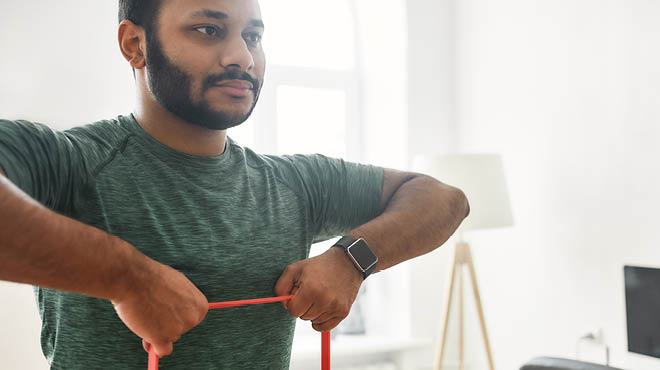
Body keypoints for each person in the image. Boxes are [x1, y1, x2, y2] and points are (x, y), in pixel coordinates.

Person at [0, 0, 469, 368]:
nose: (242, 56)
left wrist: (352, 258)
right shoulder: (71, 161)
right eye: (209, 30)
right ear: (135, 45)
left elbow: (444, 200)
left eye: (253, 36)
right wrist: (128, 278)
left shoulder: (294, 183)